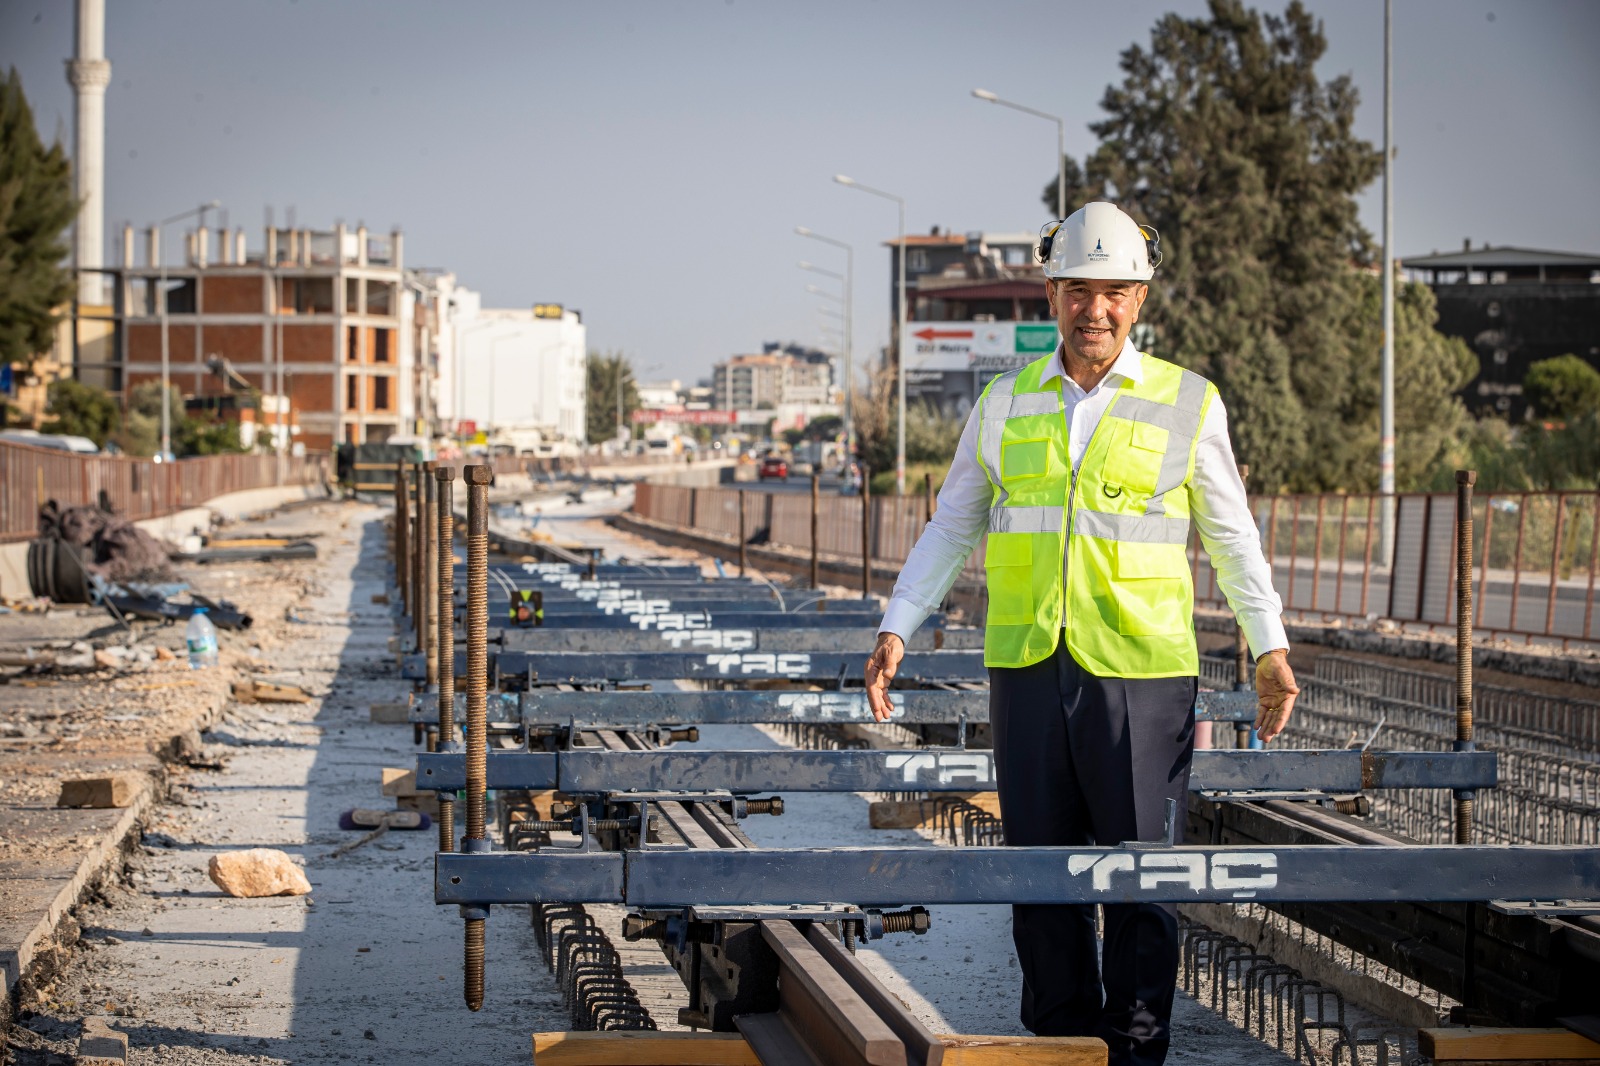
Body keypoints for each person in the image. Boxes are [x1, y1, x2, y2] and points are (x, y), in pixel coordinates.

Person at [863, 202, 1299, 1066]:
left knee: (1142, 879)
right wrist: (897, 626)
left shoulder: (1187, 402)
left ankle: (1135, 1052)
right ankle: (1062, 1049)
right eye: (1077, 290)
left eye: (1114, 292)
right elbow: (954, 524)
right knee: (1042, 876)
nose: (1094, 309)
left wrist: (1269, 646)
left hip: (1142, 678)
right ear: (1050, 292)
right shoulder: (1004, 401)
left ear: (1139, 298)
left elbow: (1231, 535)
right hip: (1026, 669)